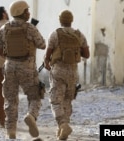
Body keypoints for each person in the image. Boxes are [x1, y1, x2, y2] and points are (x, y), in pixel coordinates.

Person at [0, 0, 46, 140]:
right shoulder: (30, 28)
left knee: (11, 100)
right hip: (27, 67)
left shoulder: (4, 29)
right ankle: (31, 116)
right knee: (35, 96)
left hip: (10, 66)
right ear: (21, 12)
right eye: (26, 11)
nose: (29, 13)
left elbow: (0, 51)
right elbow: (42, 45)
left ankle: (11, 130)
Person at [43, 10, 90, 140]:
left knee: (55, 100)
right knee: (67, 100)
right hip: (72, 72)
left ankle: (63, 125)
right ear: (71, 20)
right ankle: (63, 129)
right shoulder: (79, 35)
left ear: (60, 20)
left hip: (58, 71)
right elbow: (86, 54)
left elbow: (48, 55)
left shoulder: (55, 34)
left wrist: (47, 62)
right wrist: (75, 50)